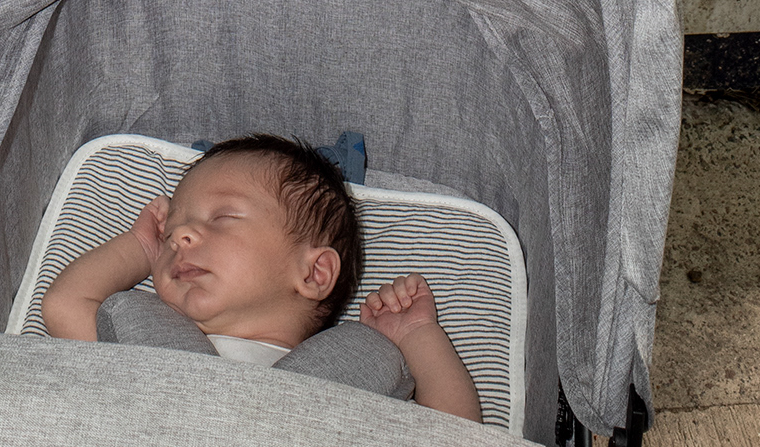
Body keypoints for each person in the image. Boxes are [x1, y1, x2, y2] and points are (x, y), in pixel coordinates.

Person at [40, 134, 482, 419]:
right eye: (172, 230)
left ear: (314, 273)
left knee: (368, 355)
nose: (181, 236)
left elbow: (456, 434)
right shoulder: (143, 344)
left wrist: (417, 335)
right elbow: (65, 306)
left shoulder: (351, 380)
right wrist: (140, 247)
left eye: (223, 217)